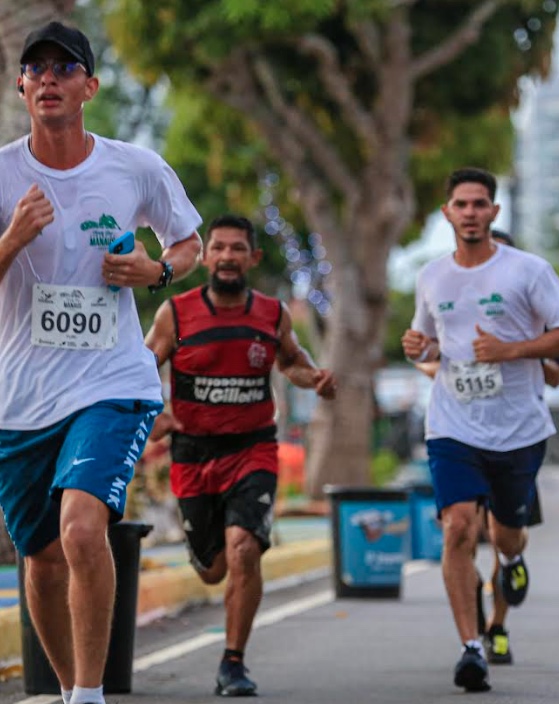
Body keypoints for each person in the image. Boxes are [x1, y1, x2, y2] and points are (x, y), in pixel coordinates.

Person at [0, 21, 203, 704]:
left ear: (89, 85)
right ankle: (67, 691)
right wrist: (12, 239)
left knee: (84, 529)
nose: (49, 78)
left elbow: (188, 245)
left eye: (65, 67)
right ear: (22, 84)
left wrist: (155, 270)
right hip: (21, 397)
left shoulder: (133, 167)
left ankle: (90, 696)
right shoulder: (1, 175)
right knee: (43, 559)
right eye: (37, 68)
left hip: (112, 382)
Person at [402, 167, 559, 692]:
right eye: (461, 204)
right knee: (458, 527)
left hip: (519, 428)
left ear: (494, 212)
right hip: (453, 425)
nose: (471, 213)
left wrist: (513, 351)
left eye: (480, 204)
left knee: (505, 530)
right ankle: (470, 647)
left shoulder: (528, 271)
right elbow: (430, 339)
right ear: (448, 213)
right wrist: (418, 348)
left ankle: (513, 557)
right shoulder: (432, 276)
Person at [144, 214, 336, 697]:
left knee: (245, 549)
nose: (228, 256)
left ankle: (233, 661)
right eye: (219, 248)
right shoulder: (177, 314)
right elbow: (140, 371)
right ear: (205, 257)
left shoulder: (272, 314)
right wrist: (156, 419)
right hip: (192, 455)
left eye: (238, 249)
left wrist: (316, 378)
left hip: (253, 449)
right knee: (213, 569)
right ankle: (200, 548)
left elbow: (291, 361)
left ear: (253, 258)